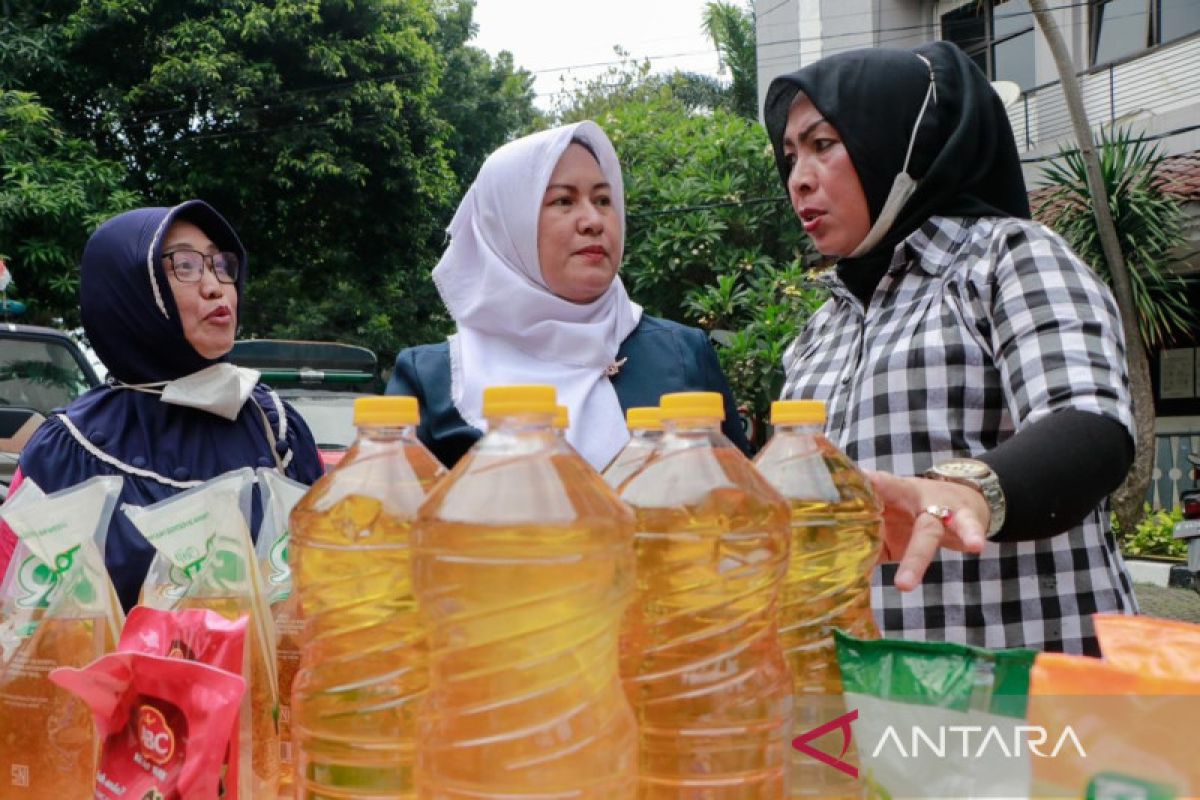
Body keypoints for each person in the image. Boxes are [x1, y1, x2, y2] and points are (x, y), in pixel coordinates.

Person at [763, 41, 1137, 655]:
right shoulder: (819, 332)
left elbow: (1090, 426)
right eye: (790, 154)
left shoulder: (1008, 259)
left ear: (902, 141)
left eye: (823, 144)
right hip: (874, 703)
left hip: (1029, 692)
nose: (798, 177)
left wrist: (967, 490)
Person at [0, 201, 324, 610]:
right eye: (185, 266)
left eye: (221, 264)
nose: (215, 285)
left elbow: (328, 580)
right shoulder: (67, 449)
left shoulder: (276, 427)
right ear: (127, 290)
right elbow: (16, 619)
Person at [388, 121, 749, 470]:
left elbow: (744, 509)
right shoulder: (435, 377)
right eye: (564, 201)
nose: (593, 220)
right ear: (508, 225)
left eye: (604, 199)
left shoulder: (683, 354)